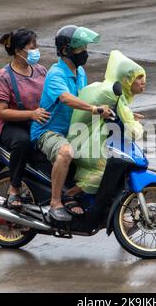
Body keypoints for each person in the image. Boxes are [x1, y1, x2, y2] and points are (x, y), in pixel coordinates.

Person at [30, 25, 112, 222]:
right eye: (79, 48)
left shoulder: (80, 72)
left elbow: (88, 96)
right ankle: (55, 202)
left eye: (85, 48)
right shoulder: (56, 73)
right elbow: (66, 98)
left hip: (73, 130)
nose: (84, 52)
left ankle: (77, 195)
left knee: (106, 154)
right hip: (48, 131)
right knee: (66, 152)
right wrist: (94, 109)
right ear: (65, 50)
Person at [67, 50, 146, 195]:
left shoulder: (105, 87)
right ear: (126, 80)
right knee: (106, 171)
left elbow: (118, 113)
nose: (143, 81)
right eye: (138, 77)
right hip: (83, 144)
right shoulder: (113, 93)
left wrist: (128, 116)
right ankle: (70, 195)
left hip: (82, 138)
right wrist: (138, 124)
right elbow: (132, 132)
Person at [0, 28, 50, 209]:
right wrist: (31, 114)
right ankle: (14, 188)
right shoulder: (4, 76)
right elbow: (0, 111)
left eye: (36, 46)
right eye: (32, 47)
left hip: (38, 123)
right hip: (11, 126)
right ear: (18, 50)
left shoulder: (40, 70)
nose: (36, 51)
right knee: (23, 142)